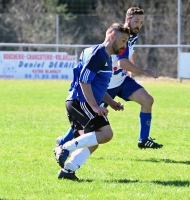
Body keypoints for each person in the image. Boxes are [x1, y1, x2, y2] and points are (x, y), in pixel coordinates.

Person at [54, 7, 163, 152]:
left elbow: (130, 54)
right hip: (106, 85)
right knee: (90, 120)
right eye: (136, 21)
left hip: (122, 80)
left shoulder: (132, 36)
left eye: (141, 22)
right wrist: (143, 71)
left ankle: (143, 140)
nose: (139, 25)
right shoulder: (120, 35)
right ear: (127, 20)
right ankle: (63, 142)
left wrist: (132, 71)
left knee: (147, 100)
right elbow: (122, 62)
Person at [55, 22, 130, 180]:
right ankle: (64, 147)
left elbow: (97, 85)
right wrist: (94, 106)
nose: (125, 45)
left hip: (76, 101)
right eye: (123, 40)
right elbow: (84, 80)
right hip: (81, 101)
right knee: (106, 134)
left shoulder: (103, 56)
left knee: (93, 141)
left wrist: (111, 102)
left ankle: (68, 171)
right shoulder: (99, 54)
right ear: (111, 36)